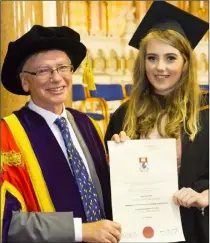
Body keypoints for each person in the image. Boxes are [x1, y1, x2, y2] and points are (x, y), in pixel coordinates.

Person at [1, 25, 121, 243]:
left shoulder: (87, 124)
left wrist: (127, 160)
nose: (57, 78)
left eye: (63, 68)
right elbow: (8, 222)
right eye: (44, 71)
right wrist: (79, 230)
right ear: (25, 82)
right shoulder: (7, 136)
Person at [105, 1, 209, 243]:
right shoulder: (124, 116)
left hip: (197, 228)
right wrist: (117, 157)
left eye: (170, 58)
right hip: (139, 231)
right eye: (152, 58)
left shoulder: (206, 111)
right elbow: (111, 185)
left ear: (185, 64)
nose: (160, 67)